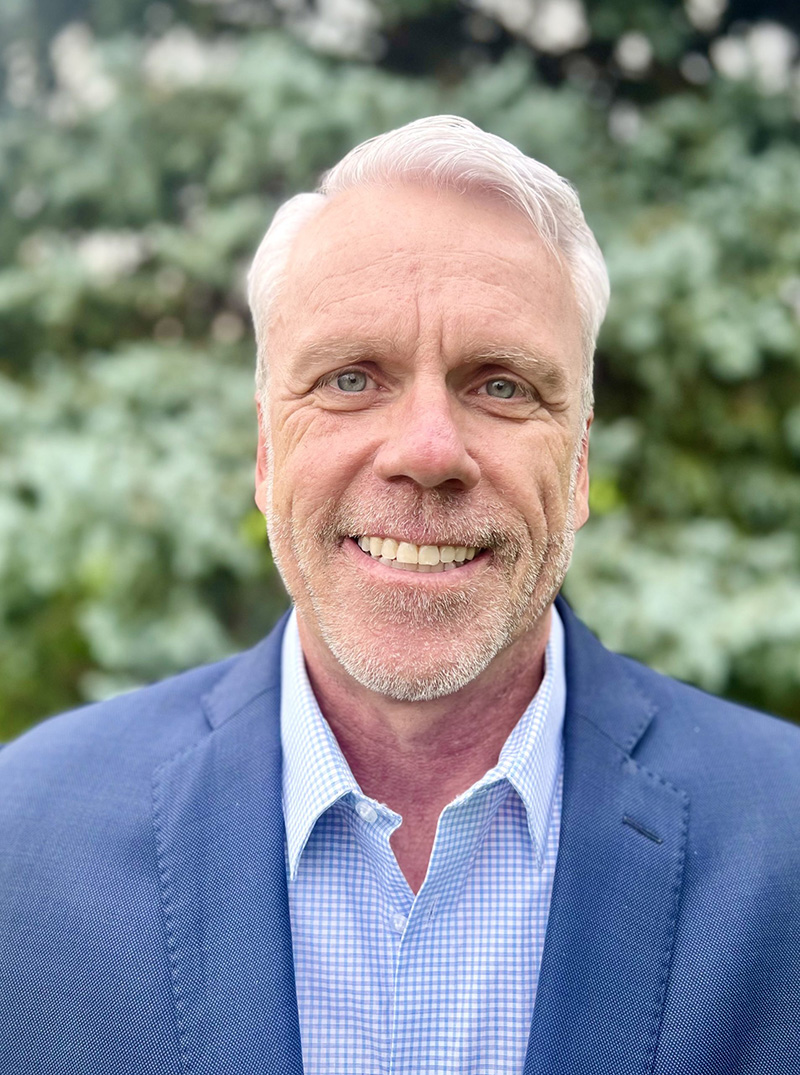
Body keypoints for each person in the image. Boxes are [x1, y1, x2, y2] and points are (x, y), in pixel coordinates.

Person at [1, 116, 798, 1075]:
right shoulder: (25, 846)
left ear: (580, 461)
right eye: (349, 378)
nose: (426, 450)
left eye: (501, 386)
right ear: (265, 450)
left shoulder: (782, 843)